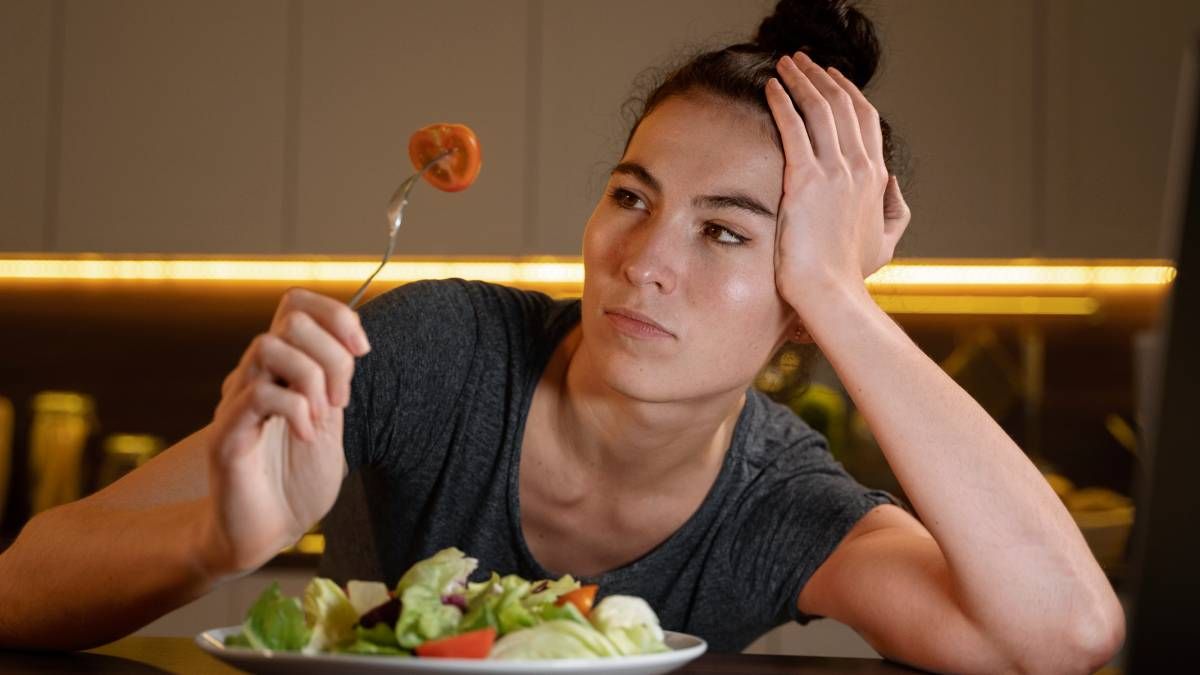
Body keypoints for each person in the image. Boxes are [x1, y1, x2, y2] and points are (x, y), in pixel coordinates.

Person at [0, 0, 1124, 671]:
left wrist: (843, 298)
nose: (642, 259)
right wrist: (216, 542)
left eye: (727, 234)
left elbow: (1065, 639)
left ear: (799, 300)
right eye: (632, 198)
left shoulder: (780, 507)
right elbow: (21, 585)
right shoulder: (441, 353)